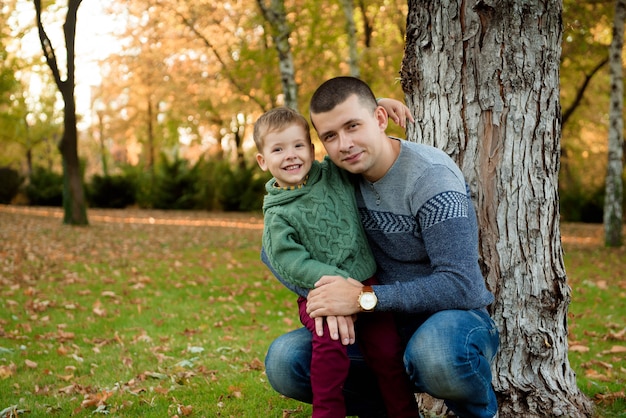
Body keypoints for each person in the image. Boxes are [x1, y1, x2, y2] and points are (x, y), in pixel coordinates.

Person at [263, 77, 500, 418]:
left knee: (436, 353)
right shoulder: (336, 178)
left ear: (378, 119)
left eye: (353, 126)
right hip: (375, 324)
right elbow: (272, 253)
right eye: (331, 135)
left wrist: (362, 298)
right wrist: (335, 297)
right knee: (286, 360)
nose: (345, 144)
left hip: (447, 320)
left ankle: (477, 414)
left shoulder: (431, 179)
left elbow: (461, 285)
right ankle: (389, 410)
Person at [254, 106, 420, 418]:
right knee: (330, 353)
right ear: (263, 160)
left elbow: (350, 139)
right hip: (320, 293)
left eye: (298, 145)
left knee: (387, 354)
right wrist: (335, 284)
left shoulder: (332, 174)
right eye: (278, 149)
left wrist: (373, 106)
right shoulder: (277, 213)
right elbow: (290, 261)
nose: (290, 155)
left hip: (367, 285)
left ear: (311, 148)